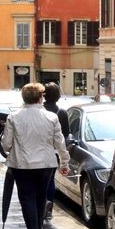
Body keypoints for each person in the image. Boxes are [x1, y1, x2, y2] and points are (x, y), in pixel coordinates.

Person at [1, 83, 69, 229]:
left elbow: (6, 145)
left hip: (21, 165)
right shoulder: (52, 117)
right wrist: (65, 162)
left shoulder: (13, 117)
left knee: (27, 198)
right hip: (46, 164)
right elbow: (60, 142)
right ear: (40, 97)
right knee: (40, 197)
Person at [42, 82, 69, 220]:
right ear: (58, 96)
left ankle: (40, 204)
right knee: (50, 181)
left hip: (38, 151)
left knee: (37, 181)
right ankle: (49, 207)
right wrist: (65, 160)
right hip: (53, 152)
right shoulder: (62, 113)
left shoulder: (40, 111)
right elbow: (65, 134)